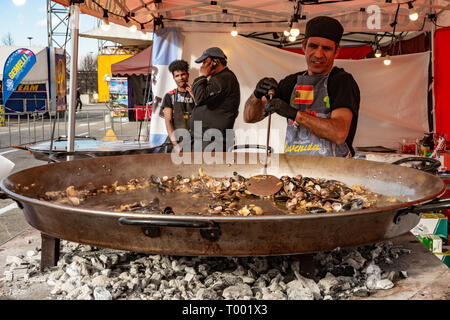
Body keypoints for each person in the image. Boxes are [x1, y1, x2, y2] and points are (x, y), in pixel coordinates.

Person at [244, 16, 360, 157]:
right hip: (295, 170)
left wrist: (294, 114)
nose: (318, 54)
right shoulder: (291, 82)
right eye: (313, 46)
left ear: (337, 51)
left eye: (326, 48)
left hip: (334, 171)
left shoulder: (342, 81)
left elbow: (339, 133)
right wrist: (256, 95)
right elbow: (250, 118)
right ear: (304, 46)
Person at [190, 47, 240, 152]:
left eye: (204, 62)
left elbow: (200, 98)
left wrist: (201, 77)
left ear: (215, 62)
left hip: (213, 140)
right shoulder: (219, 78)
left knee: (206, 168)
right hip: (208, 138)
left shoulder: (224, 78)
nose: (202, 66)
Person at [162, 60, 195, 153]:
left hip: (194, 140)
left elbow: (204, 112)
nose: (180, 78)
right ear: (173, 78)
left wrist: (193, 95)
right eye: (177, 75)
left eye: (183, 74)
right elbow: (168, 121)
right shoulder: (170, 96)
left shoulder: (197, 93)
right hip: (177, 140)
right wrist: (175, 144)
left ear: (187, 75)